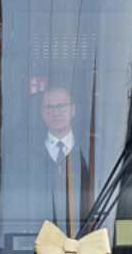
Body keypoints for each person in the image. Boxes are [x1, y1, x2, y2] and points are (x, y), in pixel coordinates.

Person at [27, 84, 93, 231]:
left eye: (62, 106)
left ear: (73, 110)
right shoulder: (24, 154)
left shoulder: (90, 153)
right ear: (42, 113)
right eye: (49, 108)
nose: (55, 113)